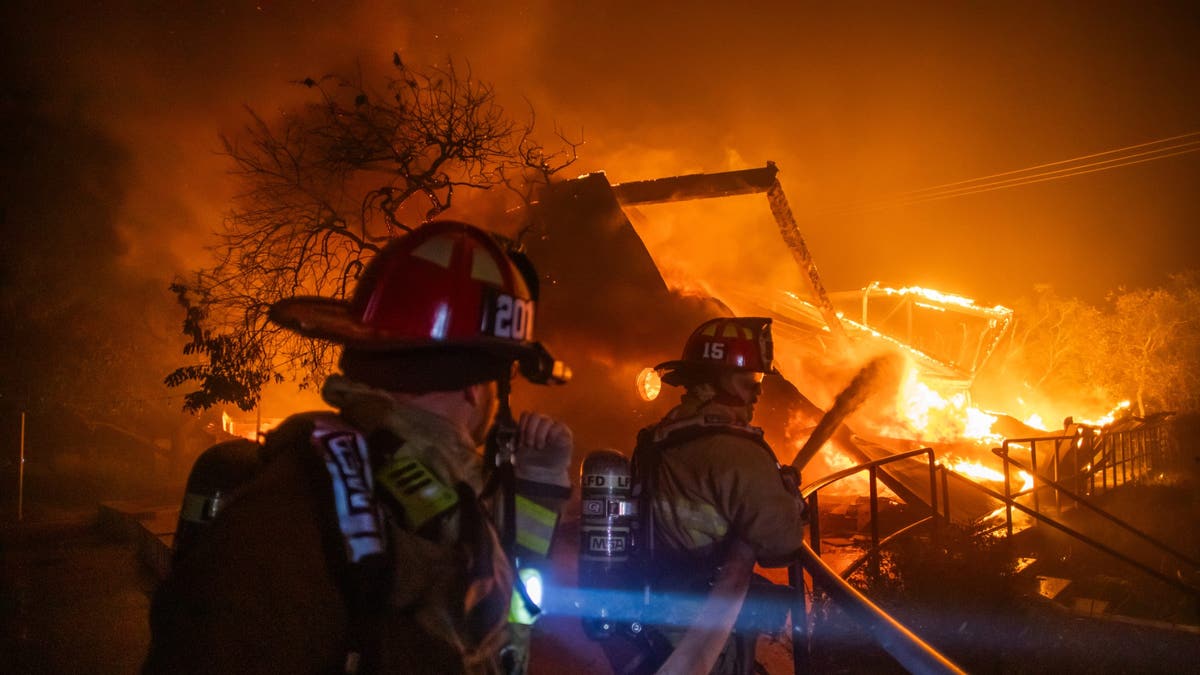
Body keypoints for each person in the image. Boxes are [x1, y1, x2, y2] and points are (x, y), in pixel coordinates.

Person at [144, 220, 574, 674]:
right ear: (476, 386)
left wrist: (537, 486)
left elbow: (509, 618)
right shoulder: (301, 515)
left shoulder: (430, 492)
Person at [631, 316, 807, 674]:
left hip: (658, 612)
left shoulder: (663, 434)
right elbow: (781, 545)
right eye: (750, 380)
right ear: (716, 381)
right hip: (706, 626)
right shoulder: (735, 449)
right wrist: (792, 502)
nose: (758, 391)